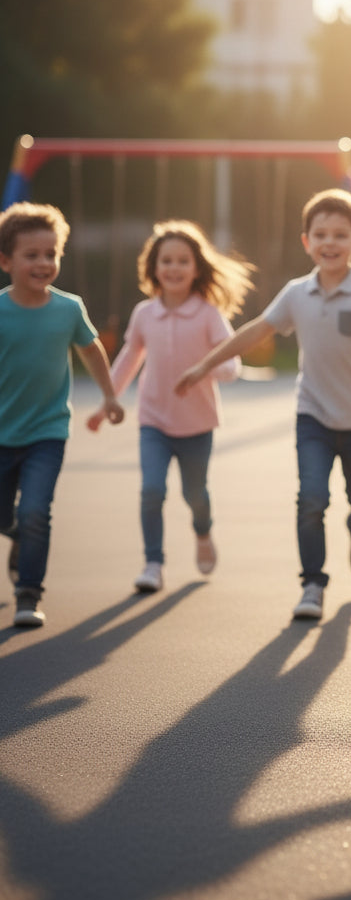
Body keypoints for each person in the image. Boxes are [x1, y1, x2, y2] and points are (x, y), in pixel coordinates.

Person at [176, 188, 351, 621]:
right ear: (306, 242)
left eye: (340, 234)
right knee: (310, 498)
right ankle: (312, 584)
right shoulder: (297, 293)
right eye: (321, 234)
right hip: (312, 415)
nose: (329, 243)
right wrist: (204, 365)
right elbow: (256, 331)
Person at [87, 220, 254, 593]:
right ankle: (153, 563)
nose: (174, 268)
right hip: (154, 422)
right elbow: (129, 358)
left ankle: (203, 531)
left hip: (197, 424)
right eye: (166, 261)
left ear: (196, 268)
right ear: (153, 267)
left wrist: (210, 370)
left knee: (195, 495)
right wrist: (106, 402)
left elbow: (231, 364)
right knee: (151, 490)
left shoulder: (209, 313)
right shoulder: (145, 314)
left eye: (182, 261)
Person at [0, 201, 124, 627]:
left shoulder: (68, 309)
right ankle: (16, 534)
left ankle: (28, 592)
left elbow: (91, 350)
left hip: (47, 431)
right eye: (31, 255)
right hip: (1, 432)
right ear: (5, 261)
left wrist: (109, 396)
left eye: (51, 254)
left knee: (36, 511)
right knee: (9, 517)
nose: (44, 263)